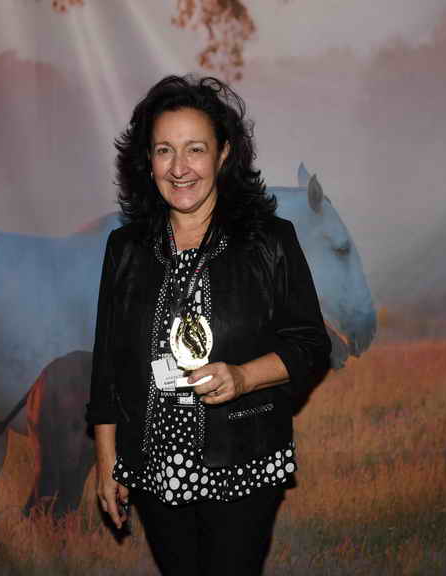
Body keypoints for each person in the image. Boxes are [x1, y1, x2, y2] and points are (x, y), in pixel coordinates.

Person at [85, 75, 331, 576]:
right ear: (147, 160)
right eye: (164, 151)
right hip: (154, 465)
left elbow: (310, 345)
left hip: (244, 458)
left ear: (223, 155)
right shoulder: (125, 248)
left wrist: (243, 377)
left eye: (195, 149)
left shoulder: (270, 241)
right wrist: (107, 460)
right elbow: (108, 361)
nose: (179, 168)